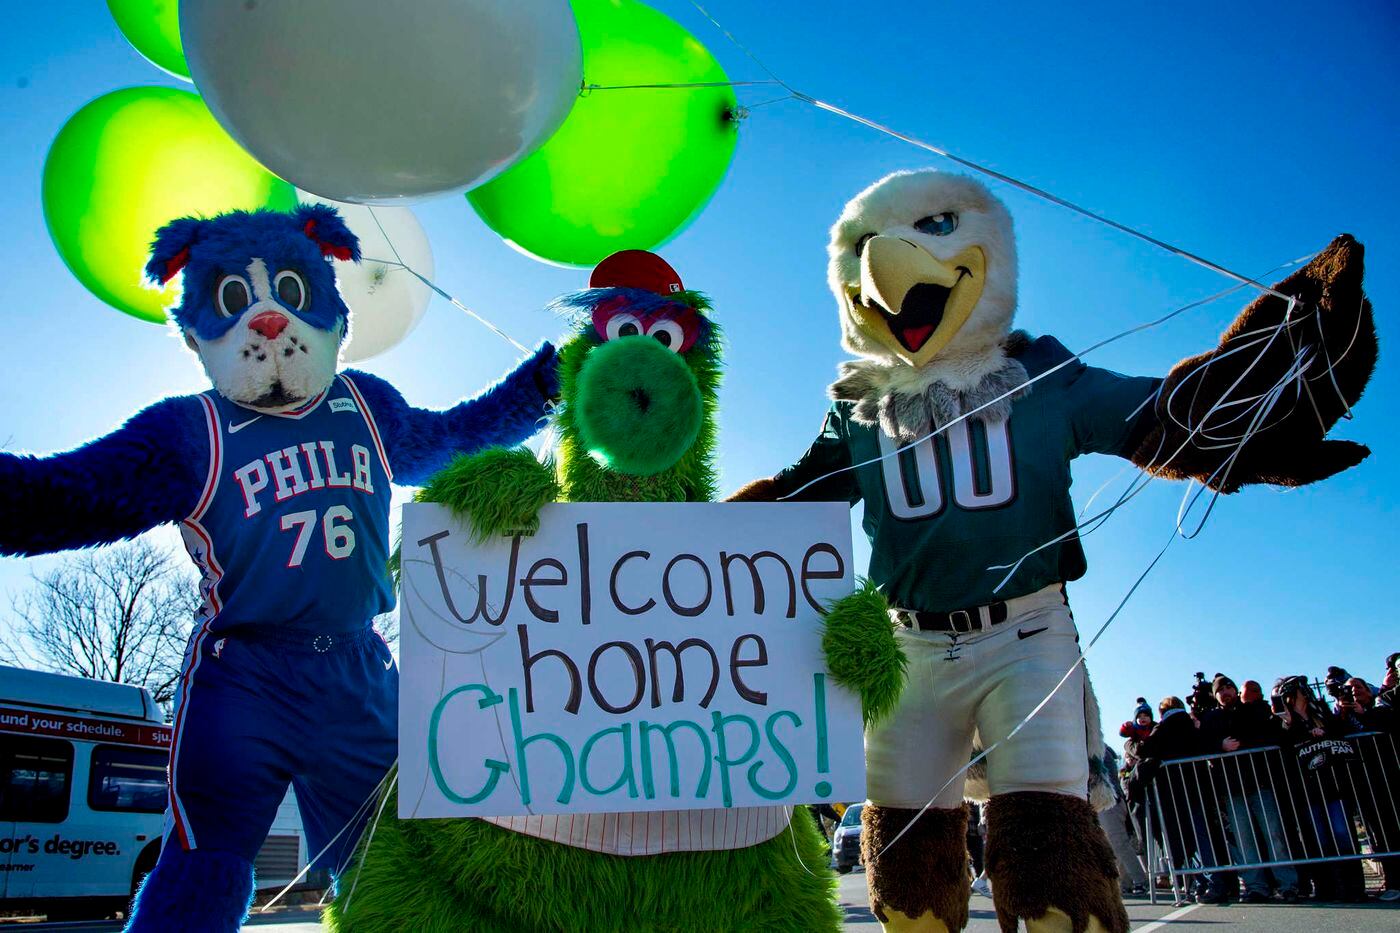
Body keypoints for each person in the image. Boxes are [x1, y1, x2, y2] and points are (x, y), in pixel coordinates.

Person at [1200, 674, 1299, 902]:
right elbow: (1200, 744)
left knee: (1274, 834)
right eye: (1220, 690)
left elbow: (1269, 734)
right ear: (1215, 696)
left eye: (1229, 687)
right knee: (1244, 840)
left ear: (1236, 690)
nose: (1225, 692)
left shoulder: (1253, 710)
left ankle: (1287, 884)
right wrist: (1219, 745)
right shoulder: (1211, 718)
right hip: (1231, 788)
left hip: (1259, 782)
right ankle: (1256, 886)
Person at [1273, 676, 1367, 902]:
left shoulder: (1322, 711)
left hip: (1333, 783)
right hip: (1308, 789)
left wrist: (1327, 729)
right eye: (1299, 690)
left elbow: (1340, 731)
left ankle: (1353, 886)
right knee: (1319, 837)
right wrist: (1290, 726)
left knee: (1342, 833)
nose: (1304, 693)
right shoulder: (1284, 720)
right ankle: (1328, 886)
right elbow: (1282, 746)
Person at [1136, 696, 1233, 903]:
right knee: (1202, 836)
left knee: (1189, 841)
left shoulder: (1162, 729)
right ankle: (1213, 881)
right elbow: (1204, 743)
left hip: (1174, 794)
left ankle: (1206, 882)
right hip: (1198, 790)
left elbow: (1144, 750)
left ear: (1162, 712)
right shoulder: (1190, 726)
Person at [1334, 677, 1400, 900]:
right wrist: (1342, 713)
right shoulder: (1342, 716)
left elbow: (1389, 723)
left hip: (1390, 775)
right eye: (1349, 690)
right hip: (1363, 783)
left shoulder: (1381, 706)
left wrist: (1365, 713)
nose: (1354, 693)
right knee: (1380, 833)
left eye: (1358, 688)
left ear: (1369, 691)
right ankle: (1393, 881)